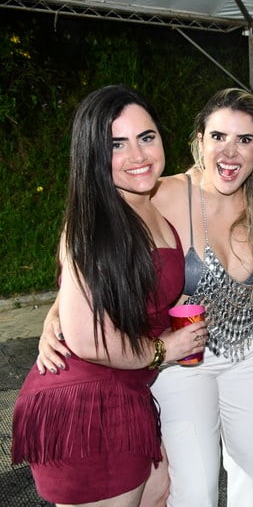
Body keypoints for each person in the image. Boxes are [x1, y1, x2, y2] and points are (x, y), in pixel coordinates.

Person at [37, 88, 253, 507]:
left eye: (245, 140)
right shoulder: (156, 193)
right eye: (218, 137)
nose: (230, 152)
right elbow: (89, 249)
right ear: (199, 140)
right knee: (195, 485)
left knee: (252, 462)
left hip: (251, 348)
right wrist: (57, 312)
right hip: (180, 356)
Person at [13, 85, 208, 507]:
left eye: (146, 137)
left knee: (159, 494)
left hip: (124, 393)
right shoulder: (93, 221)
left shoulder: (146, 200)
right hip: (88, 407)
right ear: (93, 154)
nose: (138, 155)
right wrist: (165, 349)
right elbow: (88, 340)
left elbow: (88, 286)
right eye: (117, 144)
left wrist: (56, 310)